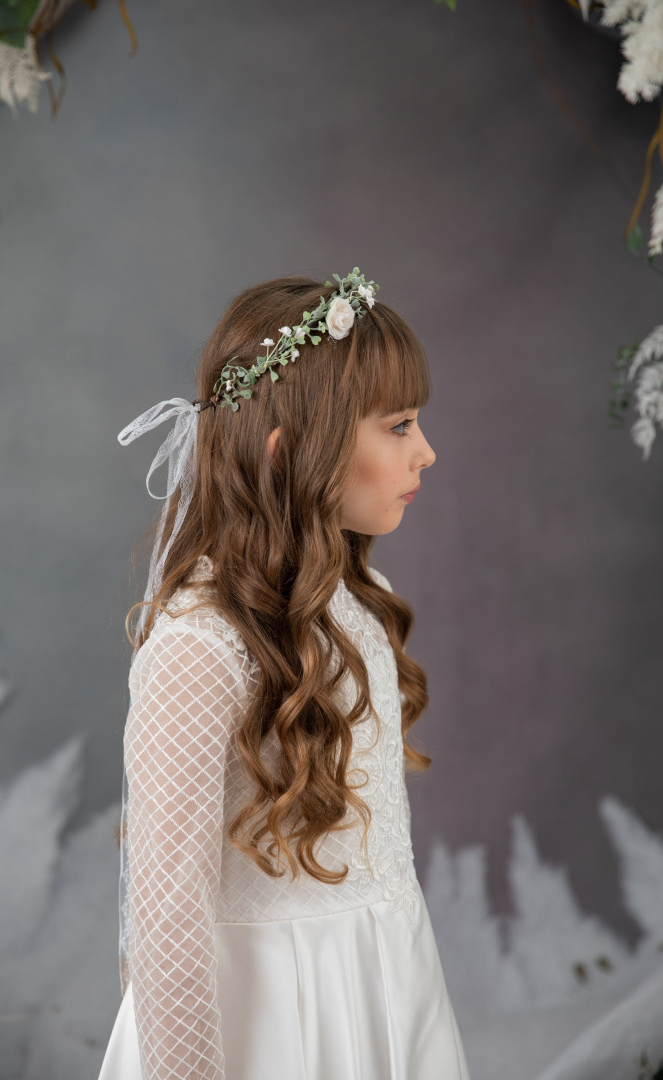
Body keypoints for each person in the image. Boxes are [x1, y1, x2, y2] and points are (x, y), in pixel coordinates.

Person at [97, 269, 471, 1080]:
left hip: (383, 986)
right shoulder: (201, 646)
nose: (426, 451)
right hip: (272, 1023)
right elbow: (166, 921)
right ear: (290, 449)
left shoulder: (354, 605)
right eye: (399, 425)